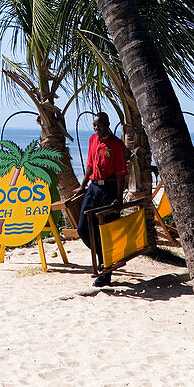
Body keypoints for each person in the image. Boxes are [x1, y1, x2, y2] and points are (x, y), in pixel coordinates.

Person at [75, 112, 127, 286]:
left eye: (100, 125)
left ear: (108, 124)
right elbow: (90, 165)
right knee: (83, 228)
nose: (97, 128)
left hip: (109, 190)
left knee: (106, 231)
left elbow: (120, 174)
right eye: (94, 125)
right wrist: (82, 186)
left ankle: (106, 274)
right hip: (93, 188)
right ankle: (102, 257)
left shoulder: (117, 145)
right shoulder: (92, 140)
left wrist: (119, 199)